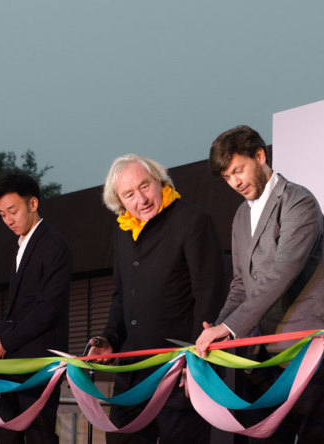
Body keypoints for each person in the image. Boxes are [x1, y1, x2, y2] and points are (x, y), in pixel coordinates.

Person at [195, 125, 324, 444]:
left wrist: (230, 327)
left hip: (307, 351)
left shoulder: (299, 202)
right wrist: (219, 327)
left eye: (238, 170)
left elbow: (281, 273)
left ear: (260, 156)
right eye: (227, 177)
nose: (234, 182)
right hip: (258, 357)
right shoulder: (239, 217)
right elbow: (239, 284)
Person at [87, 154, 226, 443]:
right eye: (129, 194)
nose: (142, 198)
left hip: (179, 371)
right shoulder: (122, 230)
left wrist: (196, 364)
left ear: (160, 181)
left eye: (145, 186)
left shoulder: (193, 220)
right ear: (119, 201)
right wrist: (109, 338)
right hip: (133, 373)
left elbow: (210, 295)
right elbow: (121, 296)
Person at [0, 172, 73, 444]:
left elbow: (49, 308)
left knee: (38, 436)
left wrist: (5, 341)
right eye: (2, 214)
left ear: (33, 204)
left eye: (13, 211)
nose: (8, 220)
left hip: (39, 363)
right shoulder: (21, 245)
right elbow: (17, 308)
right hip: (13, 362)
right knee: (6, 436)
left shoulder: (55, 246)